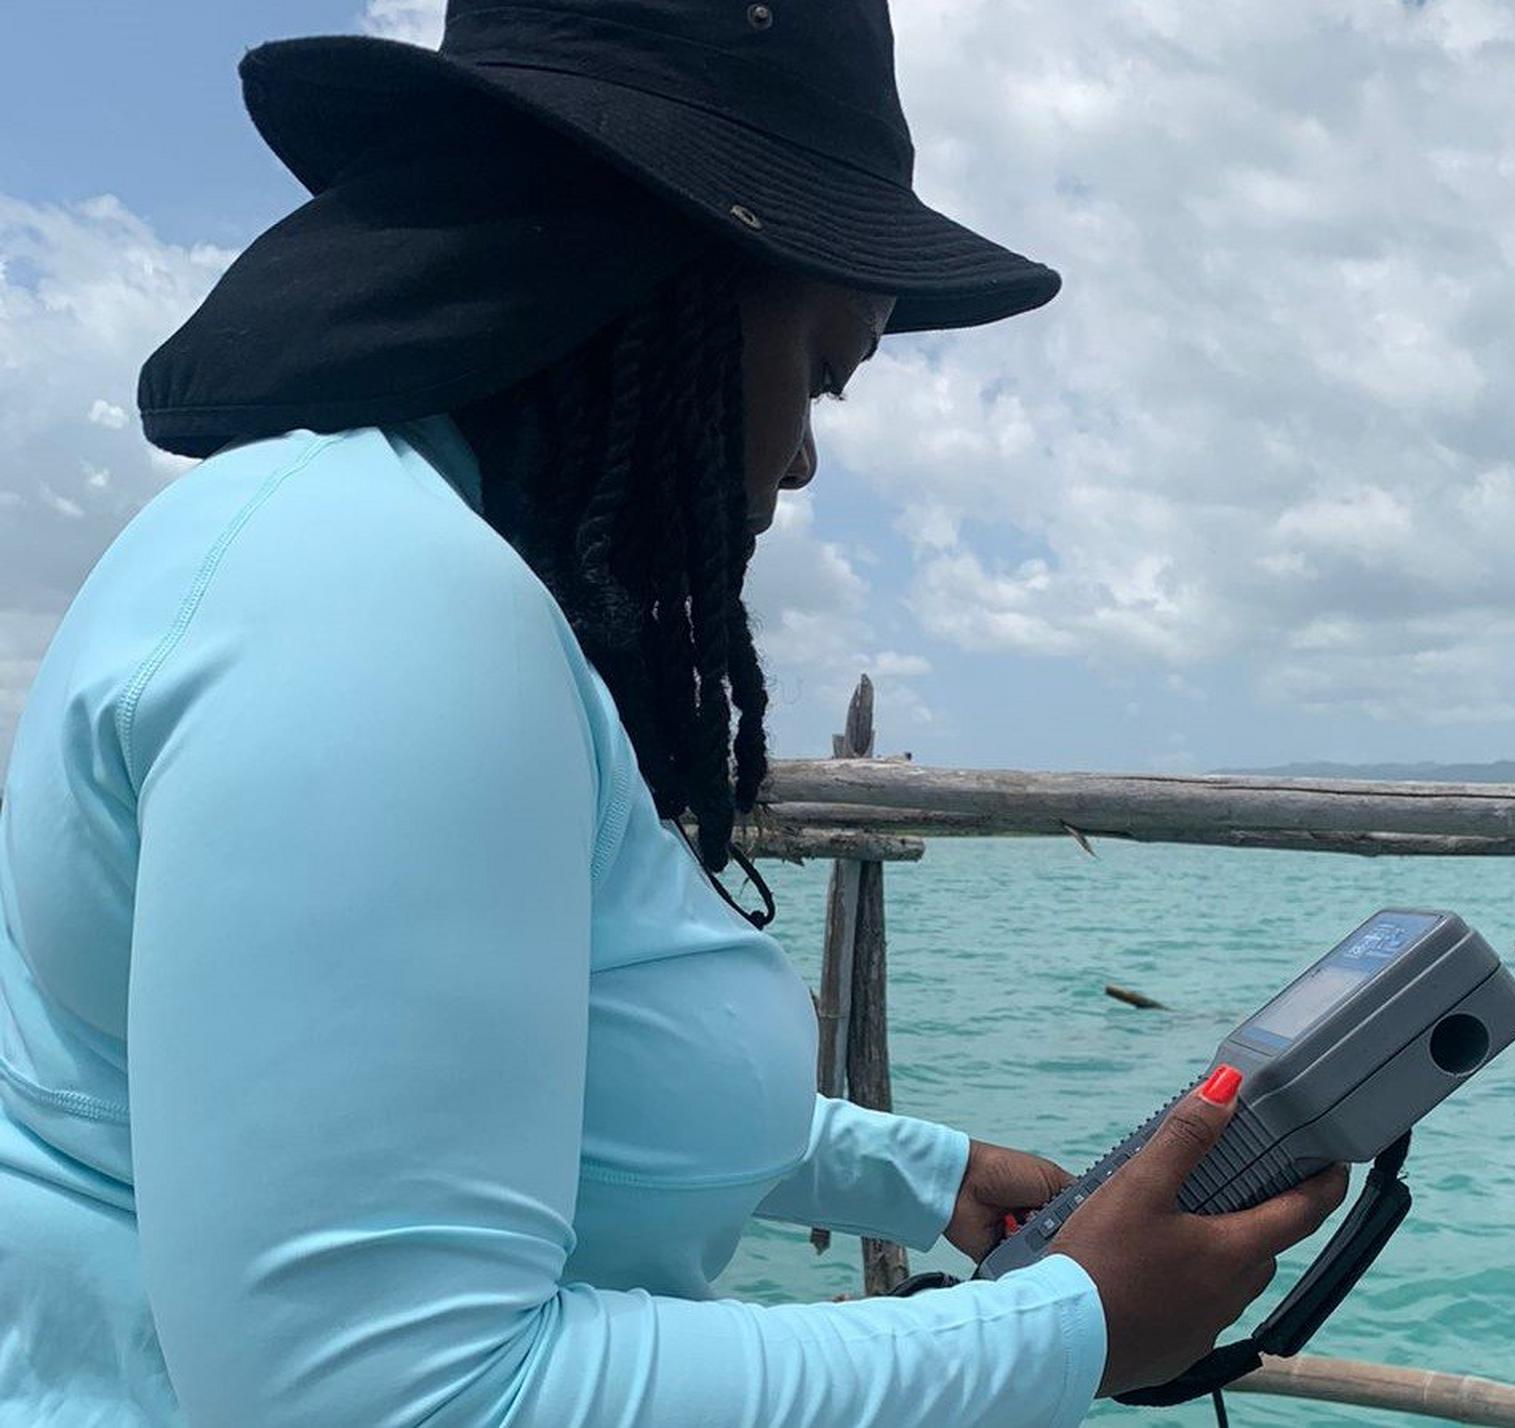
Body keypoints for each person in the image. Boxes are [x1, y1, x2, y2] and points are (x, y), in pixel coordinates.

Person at [0, 3, 1348, 1423]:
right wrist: (1071, 1327)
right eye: (825, 368)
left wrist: (921, 1175)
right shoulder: (374, 597)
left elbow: (506, 1095)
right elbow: (397, 1400)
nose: (811, 458)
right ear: (665, 287)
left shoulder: (339, 546)